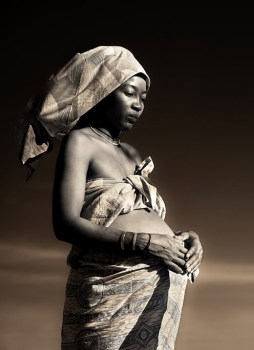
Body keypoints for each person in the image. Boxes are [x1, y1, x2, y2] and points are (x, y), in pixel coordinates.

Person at [17, 45, 203, 350]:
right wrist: (145, 242)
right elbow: (65, 223)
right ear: (101, 90)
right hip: (107, 291)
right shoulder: (82, 142)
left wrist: (186, 239)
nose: (138, 105)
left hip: (155, 291)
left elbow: (142, 214)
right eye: (129, 93)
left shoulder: (132, 154)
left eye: (143, 98)